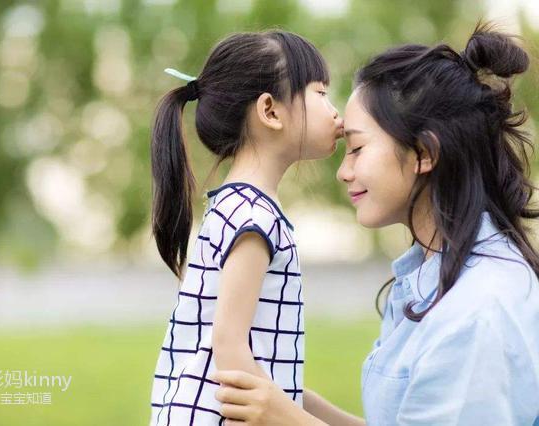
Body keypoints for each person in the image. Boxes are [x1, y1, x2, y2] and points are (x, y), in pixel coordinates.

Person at [212, 23, 539, 426]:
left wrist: (289, 420)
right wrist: (296, 406)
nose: (343, 172)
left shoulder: (476, 312)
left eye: (357, 148)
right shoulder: (430, 278)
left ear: (424, 153)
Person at [149, 30, 343, 425]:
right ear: (270, 111)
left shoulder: (238, 207)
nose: (336, 112)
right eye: (321, 93)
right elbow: (230, 348)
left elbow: (275, 383)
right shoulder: (254, 217)